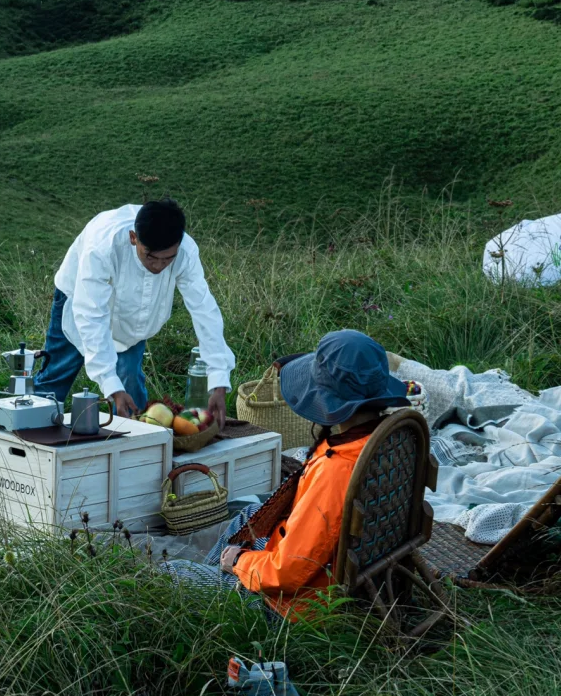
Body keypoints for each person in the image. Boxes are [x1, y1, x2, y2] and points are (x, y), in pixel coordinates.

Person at [164, 330, 409, 619]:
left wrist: (241, 562)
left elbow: (289, 572)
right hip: (347, 564)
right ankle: (215, 577)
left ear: (327, 400)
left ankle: (221, 596)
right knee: (251, 516)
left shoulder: (336, 470)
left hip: (295, 604)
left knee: (169, 571)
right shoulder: (387, 438)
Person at [38, 198, 235, 422]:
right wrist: (110, 384)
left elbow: (204, 311)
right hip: (78, 299)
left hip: (134, 311)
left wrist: (218, 379)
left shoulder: (186, 252)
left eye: (168, 259)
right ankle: (29, 437)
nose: (159, 266)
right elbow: (91, 315)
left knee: (129, 382)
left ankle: (141, 445)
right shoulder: (102, 247)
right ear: (134, 238)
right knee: (56, 377)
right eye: (151, 257)